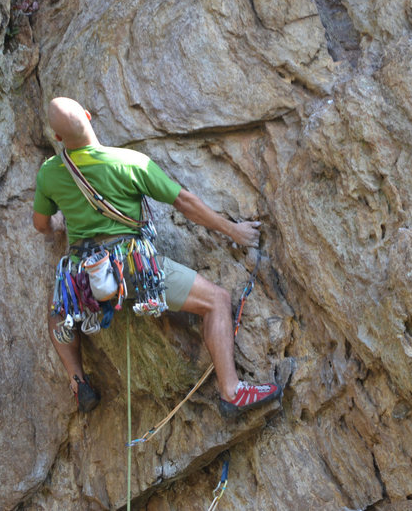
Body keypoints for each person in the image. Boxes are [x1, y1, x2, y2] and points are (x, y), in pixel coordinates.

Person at [32, 97, 280, 416]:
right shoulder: (132, 162)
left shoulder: (50, 174)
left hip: (87, 277)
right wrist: (234, 231)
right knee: (216, 300)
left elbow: (42, 225)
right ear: (89, 117)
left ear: (58, 139)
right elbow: (185, 202)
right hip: (135, 272)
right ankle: (231, 392)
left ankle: (78, 381)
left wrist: (58, 222)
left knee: (58, 311)